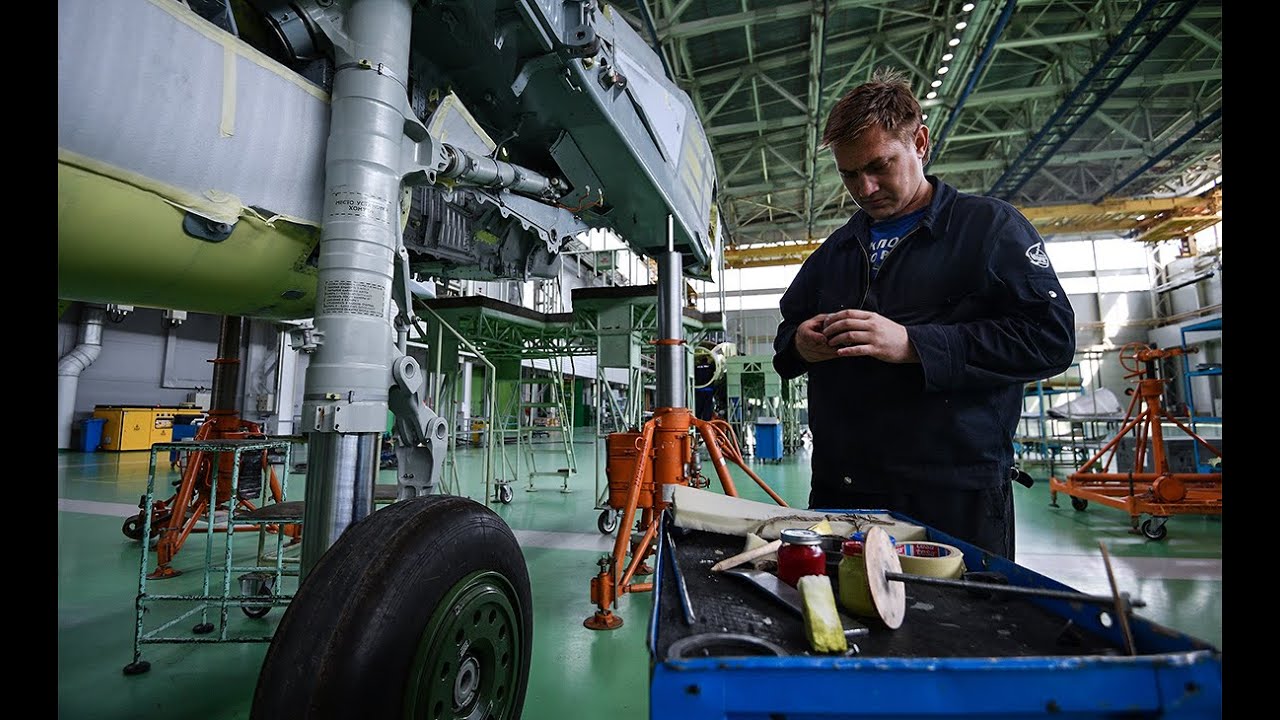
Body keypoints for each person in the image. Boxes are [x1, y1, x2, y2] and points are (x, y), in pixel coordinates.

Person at [771, 67, 1076, 561]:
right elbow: (788, 333)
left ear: (920, 142)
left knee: (959, 630)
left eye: (879, 166)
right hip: (843, 491)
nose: (865, 188)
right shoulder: (838, 251)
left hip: (951, 496)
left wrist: (915, 345)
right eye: (850, 174)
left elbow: (1049, 337)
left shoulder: (988, 229)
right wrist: (799, 344)